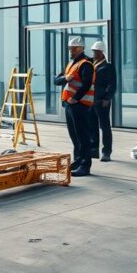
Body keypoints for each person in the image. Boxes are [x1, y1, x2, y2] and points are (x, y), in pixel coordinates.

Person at [55, 36, 95, 177]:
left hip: (80, 105)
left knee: (82, 135)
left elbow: (86, 84)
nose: (71, 51)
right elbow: (57, 80)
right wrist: (65, 78)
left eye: (74, 49)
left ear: (81, 48)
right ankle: (78, 160)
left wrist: (75, 98)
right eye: (70, 49)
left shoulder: (86, 64)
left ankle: (85, 165)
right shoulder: (71, 63)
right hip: (70, 104)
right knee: (74, 135)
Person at [88, 41, 116, 162]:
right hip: (90, 100)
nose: (94, 53)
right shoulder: (90, 64)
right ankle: (94, 151)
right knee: (92, 126)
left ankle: (107, 152)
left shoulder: (108, 66)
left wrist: (107, 98)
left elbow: (112, 84)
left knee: (104, 127)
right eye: (94, 51)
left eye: (97, 51)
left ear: (102, 52)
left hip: (101, 101)